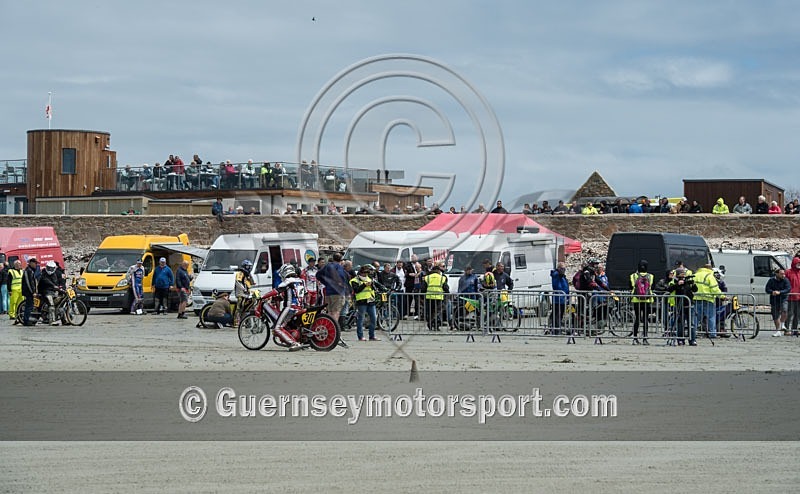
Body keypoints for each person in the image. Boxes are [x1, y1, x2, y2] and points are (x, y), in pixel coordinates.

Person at [258, 264, 311, 351]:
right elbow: (305, 294)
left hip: (290, 308)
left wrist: (263, 296)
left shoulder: (288, 281)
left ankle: (293, 343)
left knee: (277, 328)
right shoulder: (301, 281)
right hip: (300, 307)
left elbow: (276, 291)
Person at [316, 253, 349, 329]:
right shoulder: (339, 267)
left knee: (330, 312)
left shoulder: (327, 266)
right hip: (338, 293)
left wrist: (326, 283)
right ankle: (334, 330)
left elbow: (318, 275)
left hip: (328, 292)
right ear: (341, 260)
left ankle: (328, 329)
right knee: (336, 312)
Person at [693, 263, 722, 343]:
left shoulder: (695, 275)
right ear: (710, 269)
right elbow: (714, 289)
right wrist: (722, 296)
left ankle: (693, 332)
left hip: (696, 299)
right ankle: (712, 333)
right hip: (708, 299)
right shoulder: (710, 276)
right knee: (711, 317)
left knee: (695, 317)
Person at [668, 267, 697, 345]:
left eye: (684, 273)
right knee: (680, 323)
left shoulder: (687, 282)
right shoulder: (674, 281)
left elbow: (695, 290)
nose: (683, 274)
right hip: (679, 305)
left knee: (691, 323)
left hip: (689, 304)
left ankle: (692, 339)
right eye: (681, 273)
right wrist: (677, 284)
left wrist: (693, 284)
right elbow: (669, 289)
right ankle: (680, 339)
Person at [350, 264, 379, 341]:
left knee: (373, 318)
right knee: (361, 319)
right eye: (364, 273)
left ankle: (372, 336)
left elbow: (374, 288)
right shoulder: (354, 280)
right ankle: (360, 336)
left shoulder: (369, 279)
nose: (366, 274)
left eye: (367, 273)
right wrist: (364, 285)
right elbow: (356, 290)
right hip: (361, 301)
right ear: (361, 272)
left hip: (370, 300)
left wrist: (372, 285)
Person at [630, 260, 654, 345]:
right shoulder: (651, 276)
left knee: (637, 318)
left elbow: (630, 286)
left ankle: (635, 338)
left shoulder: (633, 276)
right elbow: (652, 287)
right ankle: (645, 338)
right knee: (645, 319)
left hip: (636, 299)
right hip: (647, 300)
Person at [766, 268, 791, 337]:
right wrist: (772, 292)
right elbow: (767, 289)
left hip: (783, 299)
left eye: (784, 274)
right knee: (775, 315)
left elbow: (788, 289)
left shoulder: (785, 280)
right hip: (774, 300)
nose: (783, 275)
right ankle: (778, 331)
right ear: (776, 274)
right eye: (781, 274)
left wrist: (780, 292)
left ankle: (782, 324)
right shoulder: (771, 280)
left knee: (785, 310)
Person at [38, 261, 62, 325]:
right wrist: (54, 286)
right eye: (49, 268)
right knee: (51, 305)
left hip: (52, 292)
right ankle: (52, 321)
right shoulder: (43, 274)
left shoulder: (54, 275)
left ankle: (64, 320)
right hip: (45, 292)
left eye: (51, 268)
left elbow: (56, 282)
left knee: (60, 302)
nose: (50, 270)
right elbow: (46, 281)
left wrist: (60, 288)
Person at [550, 262, 569, 334]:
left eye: (564, 269)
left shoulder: (563, 276)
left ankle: (558, 328)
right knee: (557, 315)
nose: (563, 270)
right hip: (557, 299)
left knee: (560, 315)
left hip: (563, 298)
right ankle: (556, 330)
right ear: (558, 268)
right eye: (562, 268)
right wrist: (559, 272)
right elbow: (556, 284)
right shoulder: (556, 275)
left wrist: (567, 297)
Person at [21, 258, 39, 326]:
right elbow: (29, 282)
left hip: (29, 291)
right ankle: (26, 320)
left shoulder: (31, 270)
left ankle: (27, 319)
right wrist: (33, 292)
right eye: (35, 263)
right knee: (29, 306)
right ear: (31, 263)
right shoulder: (28, 271)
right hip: (28, 292)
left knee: (30, 306)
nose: (36, 265)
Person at [785, 256, 800, 335]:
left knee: (797, 314)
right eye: (798, 263)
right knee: (789, 314)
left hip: (798, 297)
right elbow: (785, 283)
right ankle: (786, 329)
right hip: (790, 296)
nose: (799, 265)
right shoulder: (788, 272)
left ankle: (794, 329)